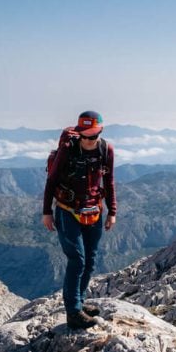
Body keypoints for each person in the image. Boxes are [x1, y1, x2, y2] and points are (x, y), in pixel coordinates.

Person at [43, 110, 116, 328]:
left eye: (92, 136)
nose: (88, 141)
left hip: (93, 212)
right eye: (84, 136)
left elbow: (109, 182)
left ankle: (80, 302)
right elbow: (52, 180)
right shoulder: (68, 150)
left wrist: (112, 211)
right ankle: (73, 312)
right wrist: (47, 211)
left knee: (90, 260)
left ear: (100, 133)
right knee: (77, 259)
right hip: (67, 211)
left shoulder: (106, 150)